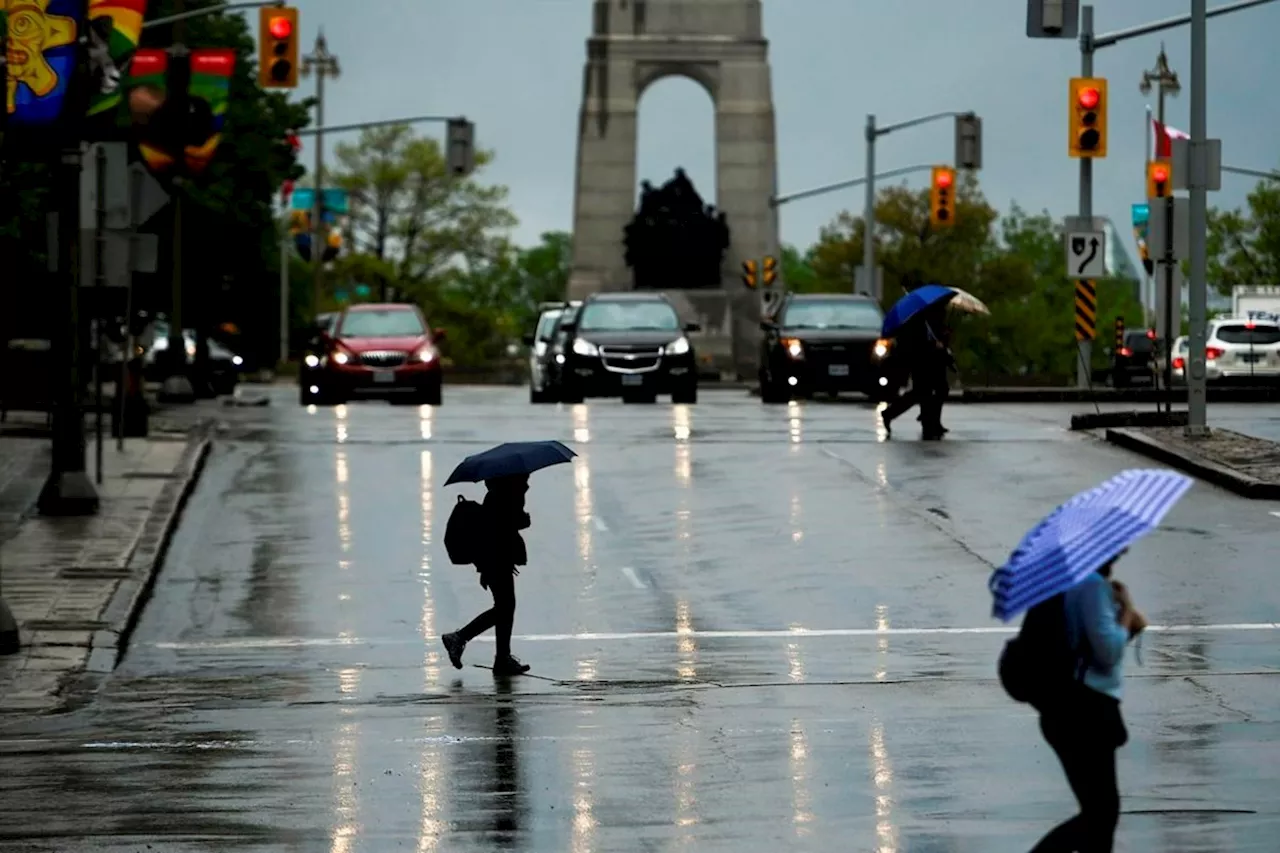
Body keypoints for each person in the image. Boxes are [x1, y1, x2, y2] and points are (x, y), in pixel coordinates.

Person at [1031, 553, 1147, 853]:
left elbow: (1086, 644)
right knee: (1102, 813)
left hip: (1067, 709)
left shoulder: (1071, 583)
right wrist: (1128, 614)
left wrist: (1124, 618)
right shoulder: (1092, 586)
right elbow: (1107, 652)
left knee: (1099, 812)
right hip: (1085, 712)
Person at [441, 474, 532, 676]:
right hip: (495, 559)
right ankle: (460, 638)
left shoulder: (500, 495)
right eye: (524, 478)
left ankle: (502, 658)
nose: (527, 483)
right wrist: (523, 519)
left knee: (505, 607)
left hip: (495, 559)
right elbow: (502, 528)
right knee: (505, 607)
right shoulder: (505, 496)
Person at [881, 303, 952, 439]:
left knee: (938, 389)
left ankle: (932, 421)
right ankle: (926, 421)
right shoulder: (915, 319)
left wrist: (944, 337)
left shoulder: (933, 317)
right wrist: (933, 344)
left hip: (935, 359)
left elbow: (938, 334)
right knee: (922, 391)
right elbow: (914, 341)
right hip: (920, 360)